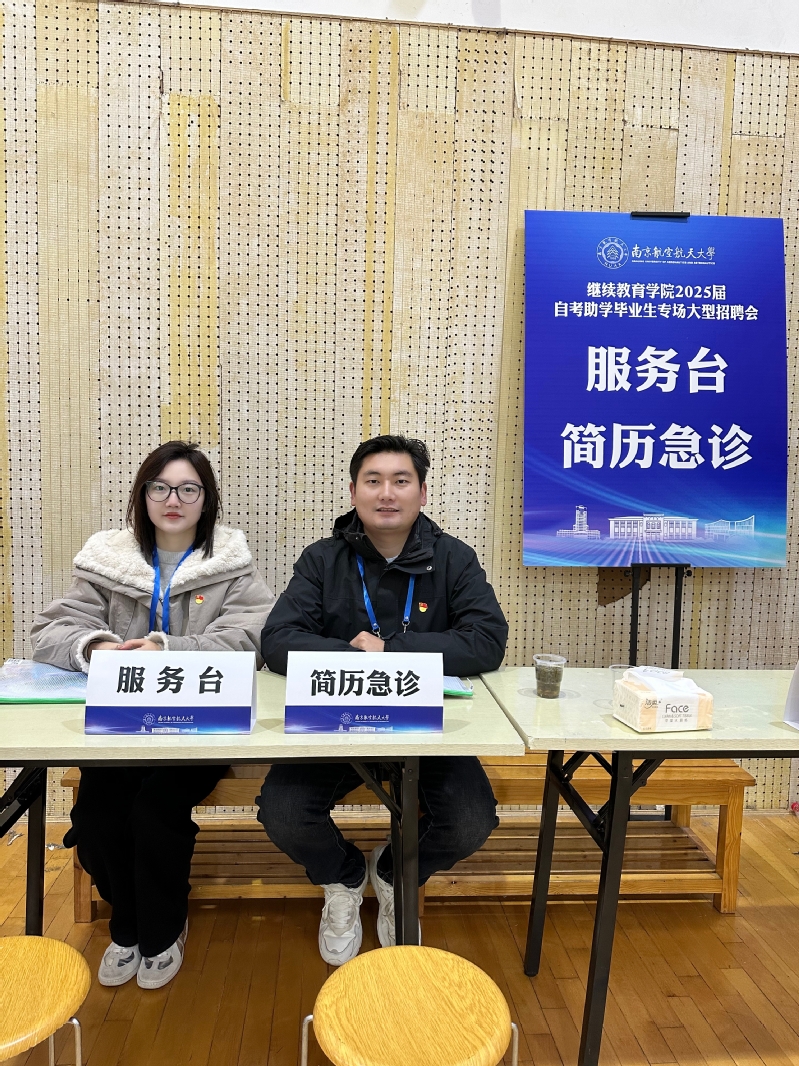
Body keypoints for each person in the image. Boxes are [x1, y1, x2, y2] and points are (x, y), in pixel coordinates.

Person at [31, 441, 275, 989]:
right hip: (119, 725)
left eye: (189, 489)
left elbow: (253, 638)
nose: (173, 500)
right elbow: (50, 631)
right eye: (160, 487)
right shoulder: (109, 561)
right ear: (143, 495)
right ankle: (128, 922)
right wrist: (95, 646)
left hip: (199, 725)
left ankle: (161, 930)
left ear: (206, 500)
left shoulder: (231, 565)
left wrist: (167, 650)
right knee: (96, 821)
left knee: (155, 810)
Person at [258, 434, 508, 965]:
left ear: (422, 492)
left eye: (401, 481)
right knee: (282, 812)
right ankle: (345, 876)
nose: (387, 493)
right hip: (337, 720)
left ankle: (395, 872)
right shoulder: (323, 559)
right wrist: (352, 654)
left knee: (471, 821)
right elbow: (277, 641)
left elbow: (487, 641)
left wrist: (392, 649)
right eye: (373, 481)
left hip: (425, 725)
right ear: (354, 492)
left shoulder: (453, 558)